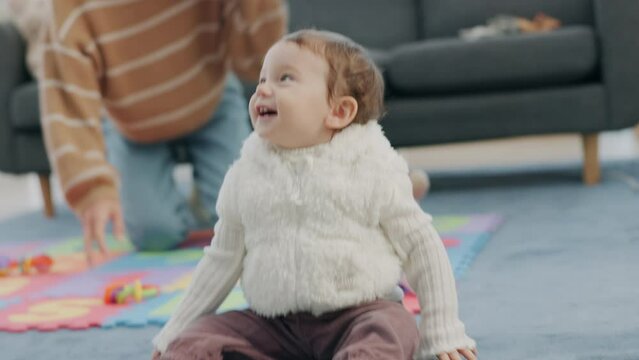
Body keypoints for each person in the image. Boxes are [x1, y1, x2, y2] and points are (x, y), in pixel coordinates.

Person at [152, 29, 477, 360]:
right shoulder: (246, 175)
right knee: (197, 340)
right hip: (274, 325)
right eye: (264, 78)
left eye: (284, 78)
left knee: (394, 329)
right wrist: (176, 330)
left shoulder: (373, 168)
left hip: (359, 314)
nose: (262, 88)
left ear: (338, 111)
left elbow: (422, 248)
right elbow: (222, 259)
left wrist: (442, 329)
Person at [39, 0, 287, 264]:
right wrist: (91, 188)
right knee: (155, 235)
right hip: (132, 122)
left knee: (242, 216)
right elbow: (66, 94)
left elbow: (255, 60)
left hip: (210, 99)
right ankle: (193, 202)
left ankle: (204, 200)